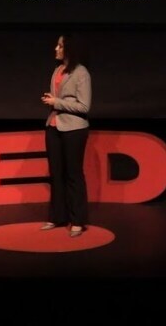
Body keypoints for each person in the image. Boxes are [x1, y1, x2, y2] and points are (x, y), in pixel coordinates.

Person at [39, 33, 91, 237]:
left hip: (74, 129)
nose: (56, 49)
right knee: (56, 174)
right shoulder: (58, 70)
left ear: (69, 48)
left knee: (73, 174)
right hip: (53, 126)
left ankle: (77, 220)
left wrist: (57, 102)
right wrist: (52, 101)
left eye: (60, 46)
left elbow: (84, 106)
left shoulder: (81, 72)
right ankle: (57, 217)